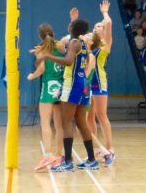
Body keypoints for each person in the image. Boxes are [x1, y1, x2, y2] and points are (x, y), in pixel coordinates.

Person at [38, 19, 99, 171]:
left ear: (73, 28)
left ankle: (67, 162)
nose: (68, 25)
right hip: (83, 85)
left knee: (66, 124)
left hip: (72, 86)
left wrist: (47, 56)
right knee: (80, 123)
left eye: (70, 25)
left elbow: (67, 61)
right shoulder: (83, 44)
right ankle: (92, 160)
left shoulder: (75, 43)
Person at [27, 24, 65, 171]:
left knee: (45, 122)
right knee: (59, 125)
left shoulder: (41, 49)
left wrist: (32, 75)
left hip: (49, 88)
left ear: (40, 35)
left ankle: (48, 154)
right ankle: (59, 155)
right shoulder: (61, 46)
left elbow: (41, 68)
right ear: (53, 33)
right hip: (61, 87)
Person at [89, 0, 115, 164]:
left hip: (99, 82)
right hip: (87, 83)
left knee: (101, 115)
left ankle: (110, 148)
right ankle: (96, 149)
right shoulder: (90, 45)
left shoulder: (106, 44)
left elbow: (109, 22)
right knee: (88, 118)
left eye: (100, 26)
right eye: (95, 26)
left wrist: (104, 13)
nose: (97, 27)